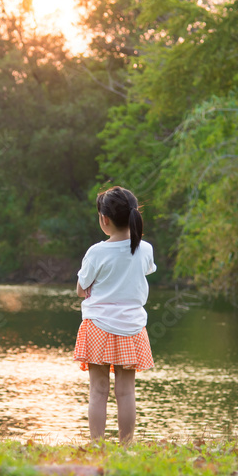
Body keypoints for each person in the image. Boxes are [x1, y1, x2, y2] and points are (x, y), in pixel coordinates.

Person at [73, 185, 156, 443]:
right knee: (126, 391)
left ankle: (97, 445)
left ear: (104, 219)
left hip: (98, 325)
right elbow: (143, 272)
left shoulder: (97, 252)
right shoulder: (145, 249)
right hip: (132, 328)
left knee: (98, 391)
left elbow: (80, 289)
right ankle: (126, 445)